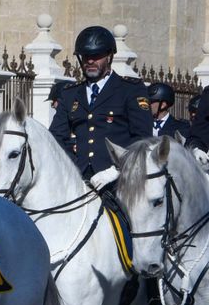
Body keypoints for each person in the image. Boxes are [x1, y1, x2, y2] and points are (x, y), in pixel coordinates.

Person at [48, 26, 151, 187]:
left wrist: (116, 169)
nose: (90, 61)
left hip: (121, 180)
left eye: (96, 56)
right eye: (86, 56)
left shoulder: (130, 90)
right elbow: (56, 136)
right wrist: (73, 165)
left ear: (109, 56)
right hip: (79, 179)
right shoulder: (70, 94)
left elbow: (143, 138)